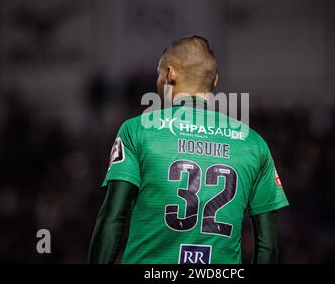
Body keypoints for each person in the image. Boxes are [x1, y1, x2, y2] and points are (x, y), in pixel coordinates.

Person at [88, 35, 289, 264]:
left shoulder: (137, 130)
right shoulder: (254, 144)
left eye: (158, 73)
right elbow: (268, 247)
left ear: (169, 74)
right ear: (215, 81)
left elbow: (113, 218)